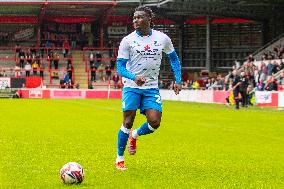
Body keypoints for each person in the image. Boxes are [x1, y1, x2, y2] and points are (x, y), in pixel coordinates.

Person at [114, 6, 182, 170]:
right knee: (128, 121)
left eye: (139, 17)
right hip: (131, 86)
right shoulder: (127, 40)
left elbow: (174, 59)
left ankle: (135, 135)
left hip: (151, 88)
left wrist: (178, 80)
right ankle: (120, 158)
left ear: (149, 19)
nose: (135, 20)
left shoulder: (162, 38)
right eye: (134, 18)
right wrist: (133, 77)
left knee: (154, 122)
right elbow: (120, 67)